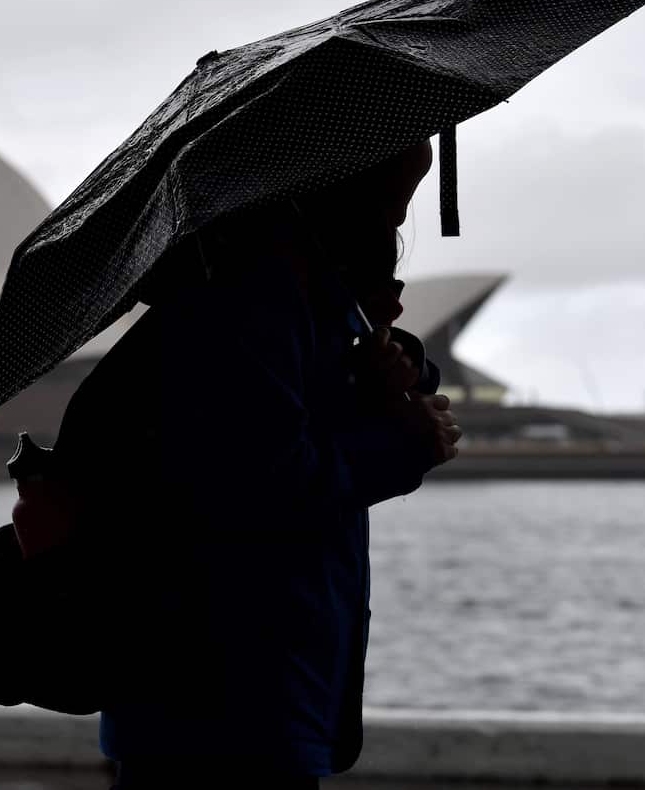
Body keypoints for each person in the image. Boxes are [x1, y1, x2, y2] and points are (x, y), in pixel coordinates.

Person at [38, 138, 460, 788]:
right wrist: (399, 446)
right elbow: (266, 481)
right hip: (226, 700)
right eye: (392, 202)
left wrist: (380, 379)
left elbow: (284, 434)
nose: (400, 223)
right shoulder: (251, 302)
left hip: (229, 696)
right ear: (345, 190)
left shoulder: (274, 291)